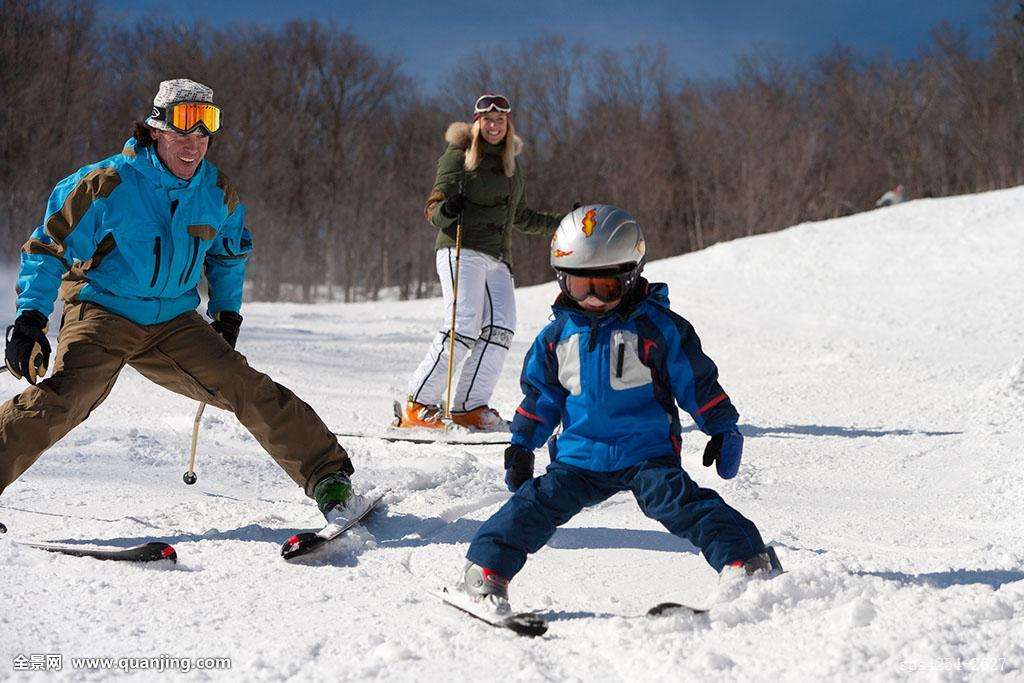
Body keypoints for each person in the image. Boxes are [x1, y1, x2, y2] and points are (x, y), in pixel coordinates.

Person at [1, 79, 362, 527]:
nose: (193, 145)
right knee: (68, 397)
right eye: (181, 132)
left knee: (245, 385)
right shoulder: (105, 183)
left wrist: (226, 315)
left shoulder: (217, 192)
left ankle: (328, 477)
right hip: (104, 309)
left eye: (204, 132)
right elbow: (47, 248)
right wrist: (30, 319)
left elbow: (228, 254)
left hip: (174, 320)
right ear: (155, 131)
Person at [451, 205, 782, 612]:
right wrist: (522, 444)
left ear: (630, 276)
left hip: (646, 455)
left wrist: (721, 426)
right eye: (579, 286)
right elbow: (541, 396)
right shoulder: (556, 338)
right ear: (562, 279)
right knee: (532, 507)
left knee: (682, 504)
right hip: (578, 459)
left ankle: (748, 563)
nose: (592, 299)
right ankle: (485, 571)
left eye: (605, 288)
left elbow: (695, 380)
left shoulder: (657, 328)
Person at [397, 93, 564, 432]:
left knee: (501, 329)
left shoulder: (512, 165)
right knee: (463, 326)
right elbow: (433, 210)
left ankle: (469, 407)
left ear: (508, 124)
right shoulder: (459, 156)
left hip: (498, 257)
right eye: (488, 119)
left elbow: (522, 217)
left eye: (500, 120)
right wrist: (449, 208)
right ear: (477, 122)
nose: (494, 125)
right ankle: (418, 404)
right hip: (462, 249)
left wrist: (564, 223)